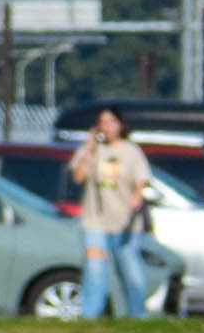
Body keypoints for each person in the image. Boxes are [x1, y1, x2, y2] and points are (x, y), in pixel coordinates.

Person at [68, 106, 161, 319]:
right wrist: (89, 147)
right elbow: (78, 177)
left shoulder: (130, 151)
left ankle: (137, 315)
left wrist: (136, 197)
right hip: (95, 222)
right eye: (103, 122)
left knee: (130, 271)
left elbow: (141, 181)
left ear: (120, 125)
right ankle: (90, 316)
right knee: (94, 270)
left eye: (111, 122)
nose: (107, 127)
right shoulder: (91, 150)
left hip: (124, 223)